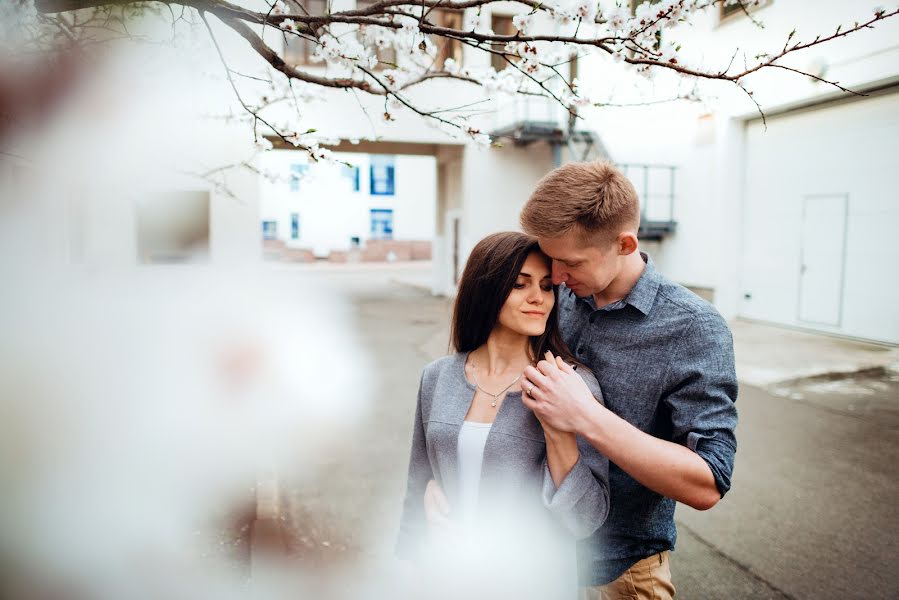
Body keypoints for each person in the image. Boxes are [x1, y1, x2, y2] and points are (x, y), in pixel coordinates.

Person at [517, 161, 739, 599]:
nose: (555, 276)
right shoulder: (554, 293)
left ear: (625, 243)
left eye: (569, 262)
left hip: (620, 569)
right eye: (550, 259)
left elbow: (708, 483)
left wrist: (585, 415)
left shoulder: (694, 327)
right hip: (532, 556)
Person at [396, 232, 610, 599]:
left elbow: (585, 519)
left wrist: (557, 432)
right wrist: (412, 561)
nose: (538, 298)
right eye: (520, 285)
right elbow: (420, 482)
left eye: (546, 287)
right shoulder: (437, 377)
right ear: (487, 290)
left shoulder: (571, 384)